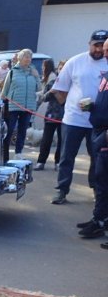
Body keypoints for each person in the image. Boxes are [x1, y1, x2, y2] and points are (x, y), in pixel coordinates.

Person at [50, 29, 108, 205]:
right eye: (95, 45)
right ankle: (62, 190)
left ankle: (96, 189)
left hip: (99, 123)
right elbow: (59, 89)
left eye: (102, 46)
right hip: (73, 120)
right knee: (67, 157)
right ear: (89, 44)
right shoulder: (75, 61)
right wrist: (69, 105)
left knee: (98, 159)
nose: (98, 50)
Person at [77, 38, 108, 247]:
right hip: (99, 131)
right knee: (101, 181)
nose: (105, 54)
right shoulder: (106, 75)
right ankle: (99, 220)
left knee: (105, 182)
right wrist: (92, 107)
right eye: (104, 50)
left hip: (105, 134)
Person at [1, 48, 40, 159]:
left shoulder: (33, 72)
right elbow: (5, 89)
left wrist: (37, 76)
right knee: (9, 130)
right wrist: (2, 103)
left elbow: (39, 88)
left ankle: (18, 153)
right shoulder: (13, 71)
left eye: (30, 57)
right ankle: (4, 154)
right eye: (26, 57)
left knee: (22, 131)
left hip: (28, 106)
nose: (28, 59)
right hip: (13, 106)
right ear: (20, 58)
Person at [36, 58, 64, 170]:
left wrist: (56, 93)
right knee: (46, 140)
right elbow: (44, 98)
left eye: (64, 68)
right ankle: (41, 162)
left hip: (65, 116)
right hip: (51, 115)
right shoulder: (53, 82)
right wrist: (50, 91)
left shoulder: (72, 83)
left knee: (62, 141)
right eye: (60, 68)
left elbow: (65, 101)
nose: (62, 70)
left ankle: (58, 162)